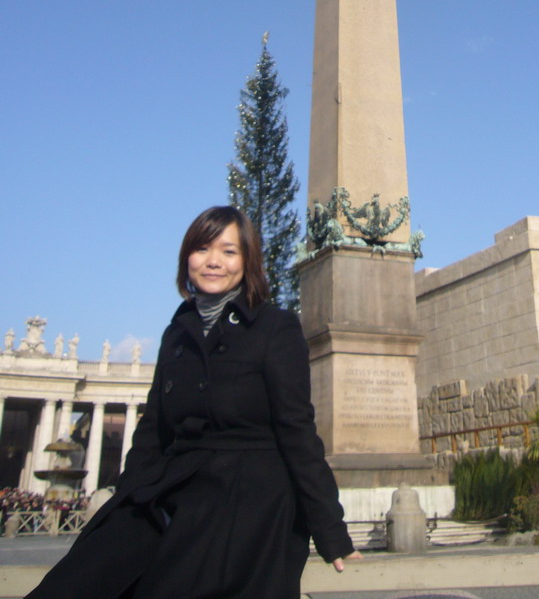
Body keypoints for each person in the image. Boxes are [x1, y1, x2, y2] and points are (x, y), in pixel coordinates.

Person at [28, 206, 359, 599]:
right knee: (80, 578)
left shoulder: (275, 328)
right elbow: (153, 429)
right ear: (187, 258)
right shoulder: (177, 331)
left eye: (228, 251)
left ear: (247, 261)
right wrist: (128, 498)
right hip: (175, 486)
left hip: (249, 498)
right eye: (202, 249)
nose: (213, 261)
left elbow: (298, 431)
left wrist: (329, 528)